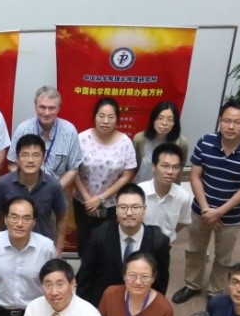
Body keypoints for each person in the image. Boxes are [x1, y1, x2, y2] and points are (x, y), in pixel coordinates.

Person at [174, 99, 240, 302]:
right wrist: (207, 209)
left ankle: (214, 291)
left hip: (230, 216)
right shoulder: (206, 141)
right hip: (201, 211)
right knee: (195, 250)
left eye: (237, 122)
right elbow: (195, 176)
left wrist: (219, 212)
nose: (231, 126)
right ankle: (192, 284)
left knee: (223, 258)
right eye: (226, 121)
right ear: (219, 120)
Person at [76, 182, 171, 309]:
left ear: (144, 209)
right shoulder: (100, 235)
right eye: (123, 207)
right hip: (104, 306)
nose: (129, 213)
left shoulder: (158, 241)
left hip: (140, 307)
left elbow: (160, 283)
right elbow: (85, 277)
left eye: (135, 207)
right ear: (116, 209)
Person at [73, 97, 137, 250]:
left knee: (106, 244)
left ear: (117, 119)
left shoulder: (125, 142)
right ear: (94, 116)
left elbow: (127, 175)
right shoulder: (81, 138)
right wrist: (88, 199)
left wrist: (101, 198)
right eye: (101, 116)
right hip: (83, 202)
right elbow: (73, 170)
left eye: (110, 117)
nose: (105, 121)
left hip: (111, 204)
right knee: (84, 243)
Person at [0, 134, 68, 241]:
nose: (30, 160)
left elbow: (62, 216)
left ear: (43, 159)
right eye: (25, 155)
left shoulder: (53, 185)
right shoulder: (2, 184)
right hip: (9, 244)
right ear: (17, 159)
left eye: (36, 155)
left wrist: (59, 248)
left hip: (42, 245)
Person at [6, 86, 83, 184]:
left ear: (58, 109)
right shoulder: (23, 129)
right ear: (35, 107)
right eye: (42, 107)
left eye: (51, 108)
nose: (46, 113)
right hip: (26, 190)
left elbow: (73, 169)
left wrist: (54, 190)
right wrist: (25, 187)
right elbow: (12, 164)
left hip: (57, 190)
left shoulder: (69, 132)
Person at [139, 142, 193, 243]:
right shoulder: (139, 192)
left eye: (175, 167)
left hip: (165, 245)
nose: (170, 172)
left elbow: (182, 222)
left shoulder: (183, 197)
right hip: (139, 243)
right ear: (154, 167)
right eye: (165, 166)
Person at [131, 100, 190, 182]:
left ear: (175, 123)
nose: (164, 123)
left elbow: (180, 167)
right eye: (160, 118)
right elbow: (133, 167)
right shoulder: (140, 139)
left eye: (170, 120)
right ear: (153, 119)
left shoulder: (181, 142)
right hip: (141, 185)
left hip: (168, 186)